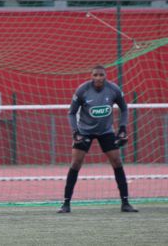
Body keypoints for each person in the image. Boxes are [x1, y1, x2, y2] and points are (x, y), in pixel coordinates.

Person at [57, 65, 138, 213]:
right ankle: (66, 204)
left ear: (105, 76)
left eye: (101, 75)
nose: (98, 78)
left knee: (117, 161)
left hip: (105, 131)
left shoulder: (113, 89)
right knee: (75, 163)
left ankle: (125, 202)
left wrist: (122, 128)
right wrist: (75, 132)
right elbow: (71, 113)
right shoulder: (83, 90)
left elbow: (124, 108)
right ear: (91, 76)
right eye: (95, 75)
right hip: (84, 131)